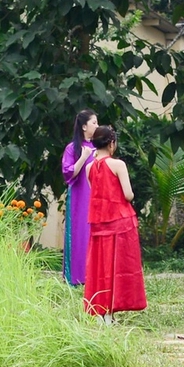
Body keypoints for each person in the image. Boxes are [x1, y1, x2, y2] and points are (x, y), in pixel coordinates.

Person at [84, 127, 146, 316]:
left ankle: (102, 311)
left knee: (101, 267)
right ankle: (114, 306)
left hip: (99, 223)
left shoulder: (89, 167)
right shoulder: (118, 164)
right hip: (121, 222)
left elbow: (94, 191)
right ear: (112, 143)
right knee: (120, 268)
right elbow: (128, 195)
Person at [61, 109, 100, 290]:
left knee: (95, 232)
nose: (97, 126)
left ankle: (95, 275)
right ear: (84, 126)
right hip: (79, 197)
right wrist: (83, 157)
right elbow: (68, 174)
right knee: (79, 233)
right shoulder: (73, 149)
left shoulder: (100, 148)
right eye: (94, 123)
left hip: (97, 196)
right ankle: (76, 276)